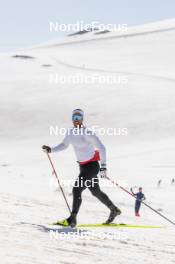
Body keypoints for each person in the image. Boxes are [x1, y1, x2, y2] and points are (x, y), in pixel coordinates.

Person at [42, 109, 121, 227]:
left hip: (92, 167)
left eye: (79, 117)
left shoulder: (87, 132)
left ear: (82, 119)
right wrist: (51, 150)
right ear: (72, 119)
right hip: (83, 167)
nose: (76, 120)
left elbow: (102, 148)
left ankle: (72, 218)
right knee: (95, 192)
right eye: (74, 118)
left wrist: (103, 167)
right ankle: (114, 209)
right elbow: (64, 145)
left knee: (76, 189)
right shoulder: (71, 133)